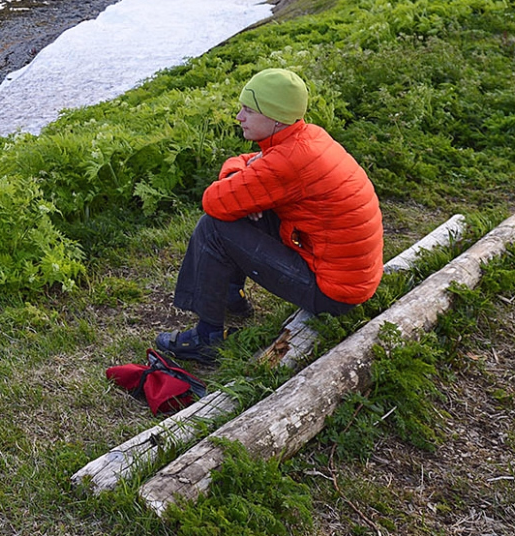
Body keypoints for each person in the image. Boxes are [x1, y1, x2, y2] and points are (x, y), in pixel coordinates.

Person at [156, 67, 382, 366]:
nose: (239, 117)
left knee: (214, 226)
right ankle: (229, 298)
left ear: (276, 117)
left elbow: (213, 201)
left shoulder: (288, 161)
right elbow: (249, 162)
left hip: (333, 295)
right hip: (350, 277)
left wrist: (239, 177)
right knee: (241, 208)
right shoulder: (307, 136)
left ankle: (206, 339)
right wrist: (241, 174)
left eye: (249, 110)